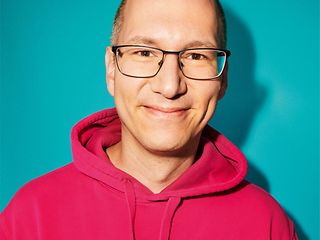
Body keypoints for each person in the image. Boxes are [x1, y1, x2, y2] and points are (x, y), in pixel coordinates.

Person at [0, 0, 298, 239]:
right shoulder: (31, 215)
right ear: (111, 69)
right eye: (144, 52)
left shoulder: (266, 223)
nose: (170, 86)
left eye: (196, 56)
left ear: (222, 79)